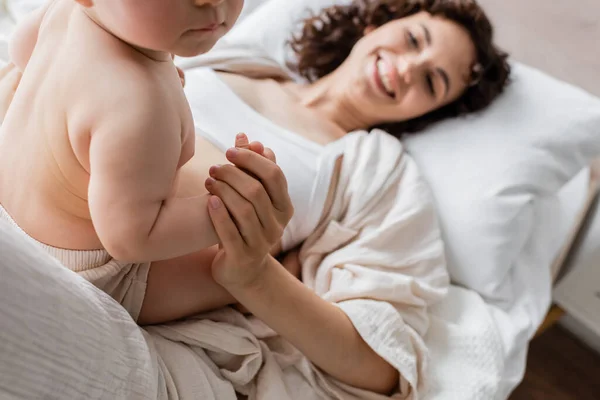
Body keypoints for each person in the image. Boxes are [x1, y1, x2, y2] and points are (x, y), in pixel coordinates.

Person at [0, 0, 511, 396]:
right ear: (376, 24)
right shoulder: (223, 53)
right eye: (413, 40)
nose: (405, 69)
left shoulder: (378, 168)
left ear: (432, 112)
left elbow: (383, 365)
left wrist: (255, 275)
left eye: (431, 81)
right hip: (54, 192)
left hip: (125, 260)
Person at [0, 0, 293, 321]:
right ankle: (276, 274)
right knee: (232, 268)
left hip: (9, 209)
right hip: (78, 270)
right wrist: (232, 211)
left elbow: (20, 52)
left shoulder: (64, 12)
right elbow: (133, 237)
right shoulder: (139, 105)